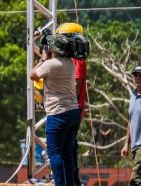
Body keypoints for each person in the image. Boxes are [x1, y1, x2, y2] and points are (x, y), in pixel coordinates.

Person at [30, 30, 81, 186]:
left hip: (58, 114)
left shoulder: (50, 64)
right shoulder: (69, 64)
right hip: (73, 112)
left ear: (54, 49)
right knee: (67, 153)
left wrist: (43, 58)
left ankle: (59, 184)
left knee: (55, 153)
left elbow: (33, 75)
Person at [56, 22, 89, 186]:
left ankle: (71, 178)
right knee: (69, 145)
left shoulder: (77, 59)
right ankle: (71, 177)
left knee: (66, 146)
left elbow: (75, 85)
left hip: (71, 107)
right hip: (73, 108)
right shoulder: (75, 56)